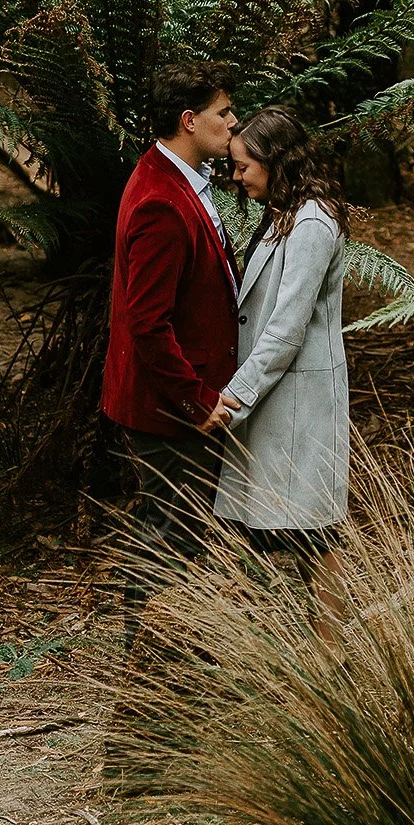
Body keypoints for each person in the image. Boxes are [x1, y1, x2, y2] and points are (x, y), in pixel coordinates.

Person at [102, 62, 244, 597]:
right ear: (189, 120)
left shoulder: (177, 178)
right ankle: (149, 655)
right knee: (172, 535)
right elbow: (147, 323)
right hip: (168, 405)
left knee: (176, 530)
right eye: (223, 112)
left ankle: (159, 647)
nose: (233, 123)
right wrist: (196, 401)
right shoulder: (161, 201)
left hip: (177, 398)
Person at [215, 106, 353, 638]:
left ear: (275, 162)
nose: (236, 176)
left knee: (314, 529)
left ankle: (329, 651)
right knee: (280, 525)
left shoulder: (313, 222)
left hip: (298, 399)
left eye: (243, 166)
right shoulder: (285, 213)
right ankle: (282, 645)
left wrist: (235, 395)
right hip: (278, 395)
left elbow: (286, 328)